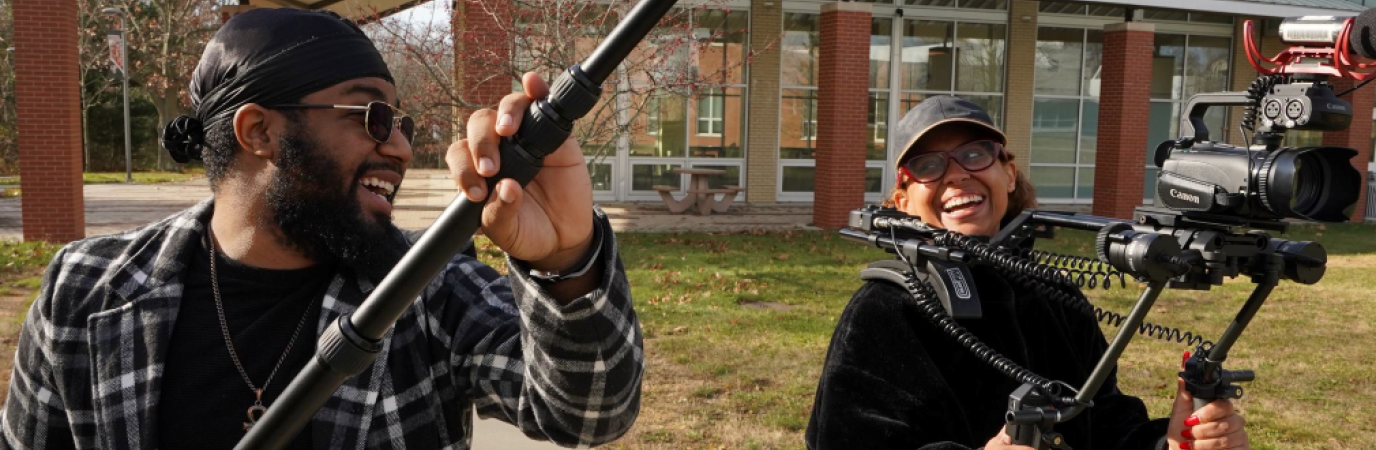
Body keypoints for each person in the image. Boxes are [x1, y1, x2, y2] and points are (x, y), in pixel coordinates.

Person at [1, 9, 642, 450]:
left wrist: (567, 258)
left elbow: (589, 413)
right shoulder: (85, 293)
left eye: (402, 123)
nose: (398, 147)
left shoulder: (427, 287)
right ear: (259, 132)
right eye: (371, 115)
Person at [805, 96, 1249, 450]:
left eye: (975, 154)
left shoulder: (1053, 295)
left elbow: (1105, 425)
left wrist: (1171, 442)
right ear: (902, 201)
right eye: (927, 166)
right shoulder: (885, 311)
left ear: (1009, 174)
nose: (957, 176)